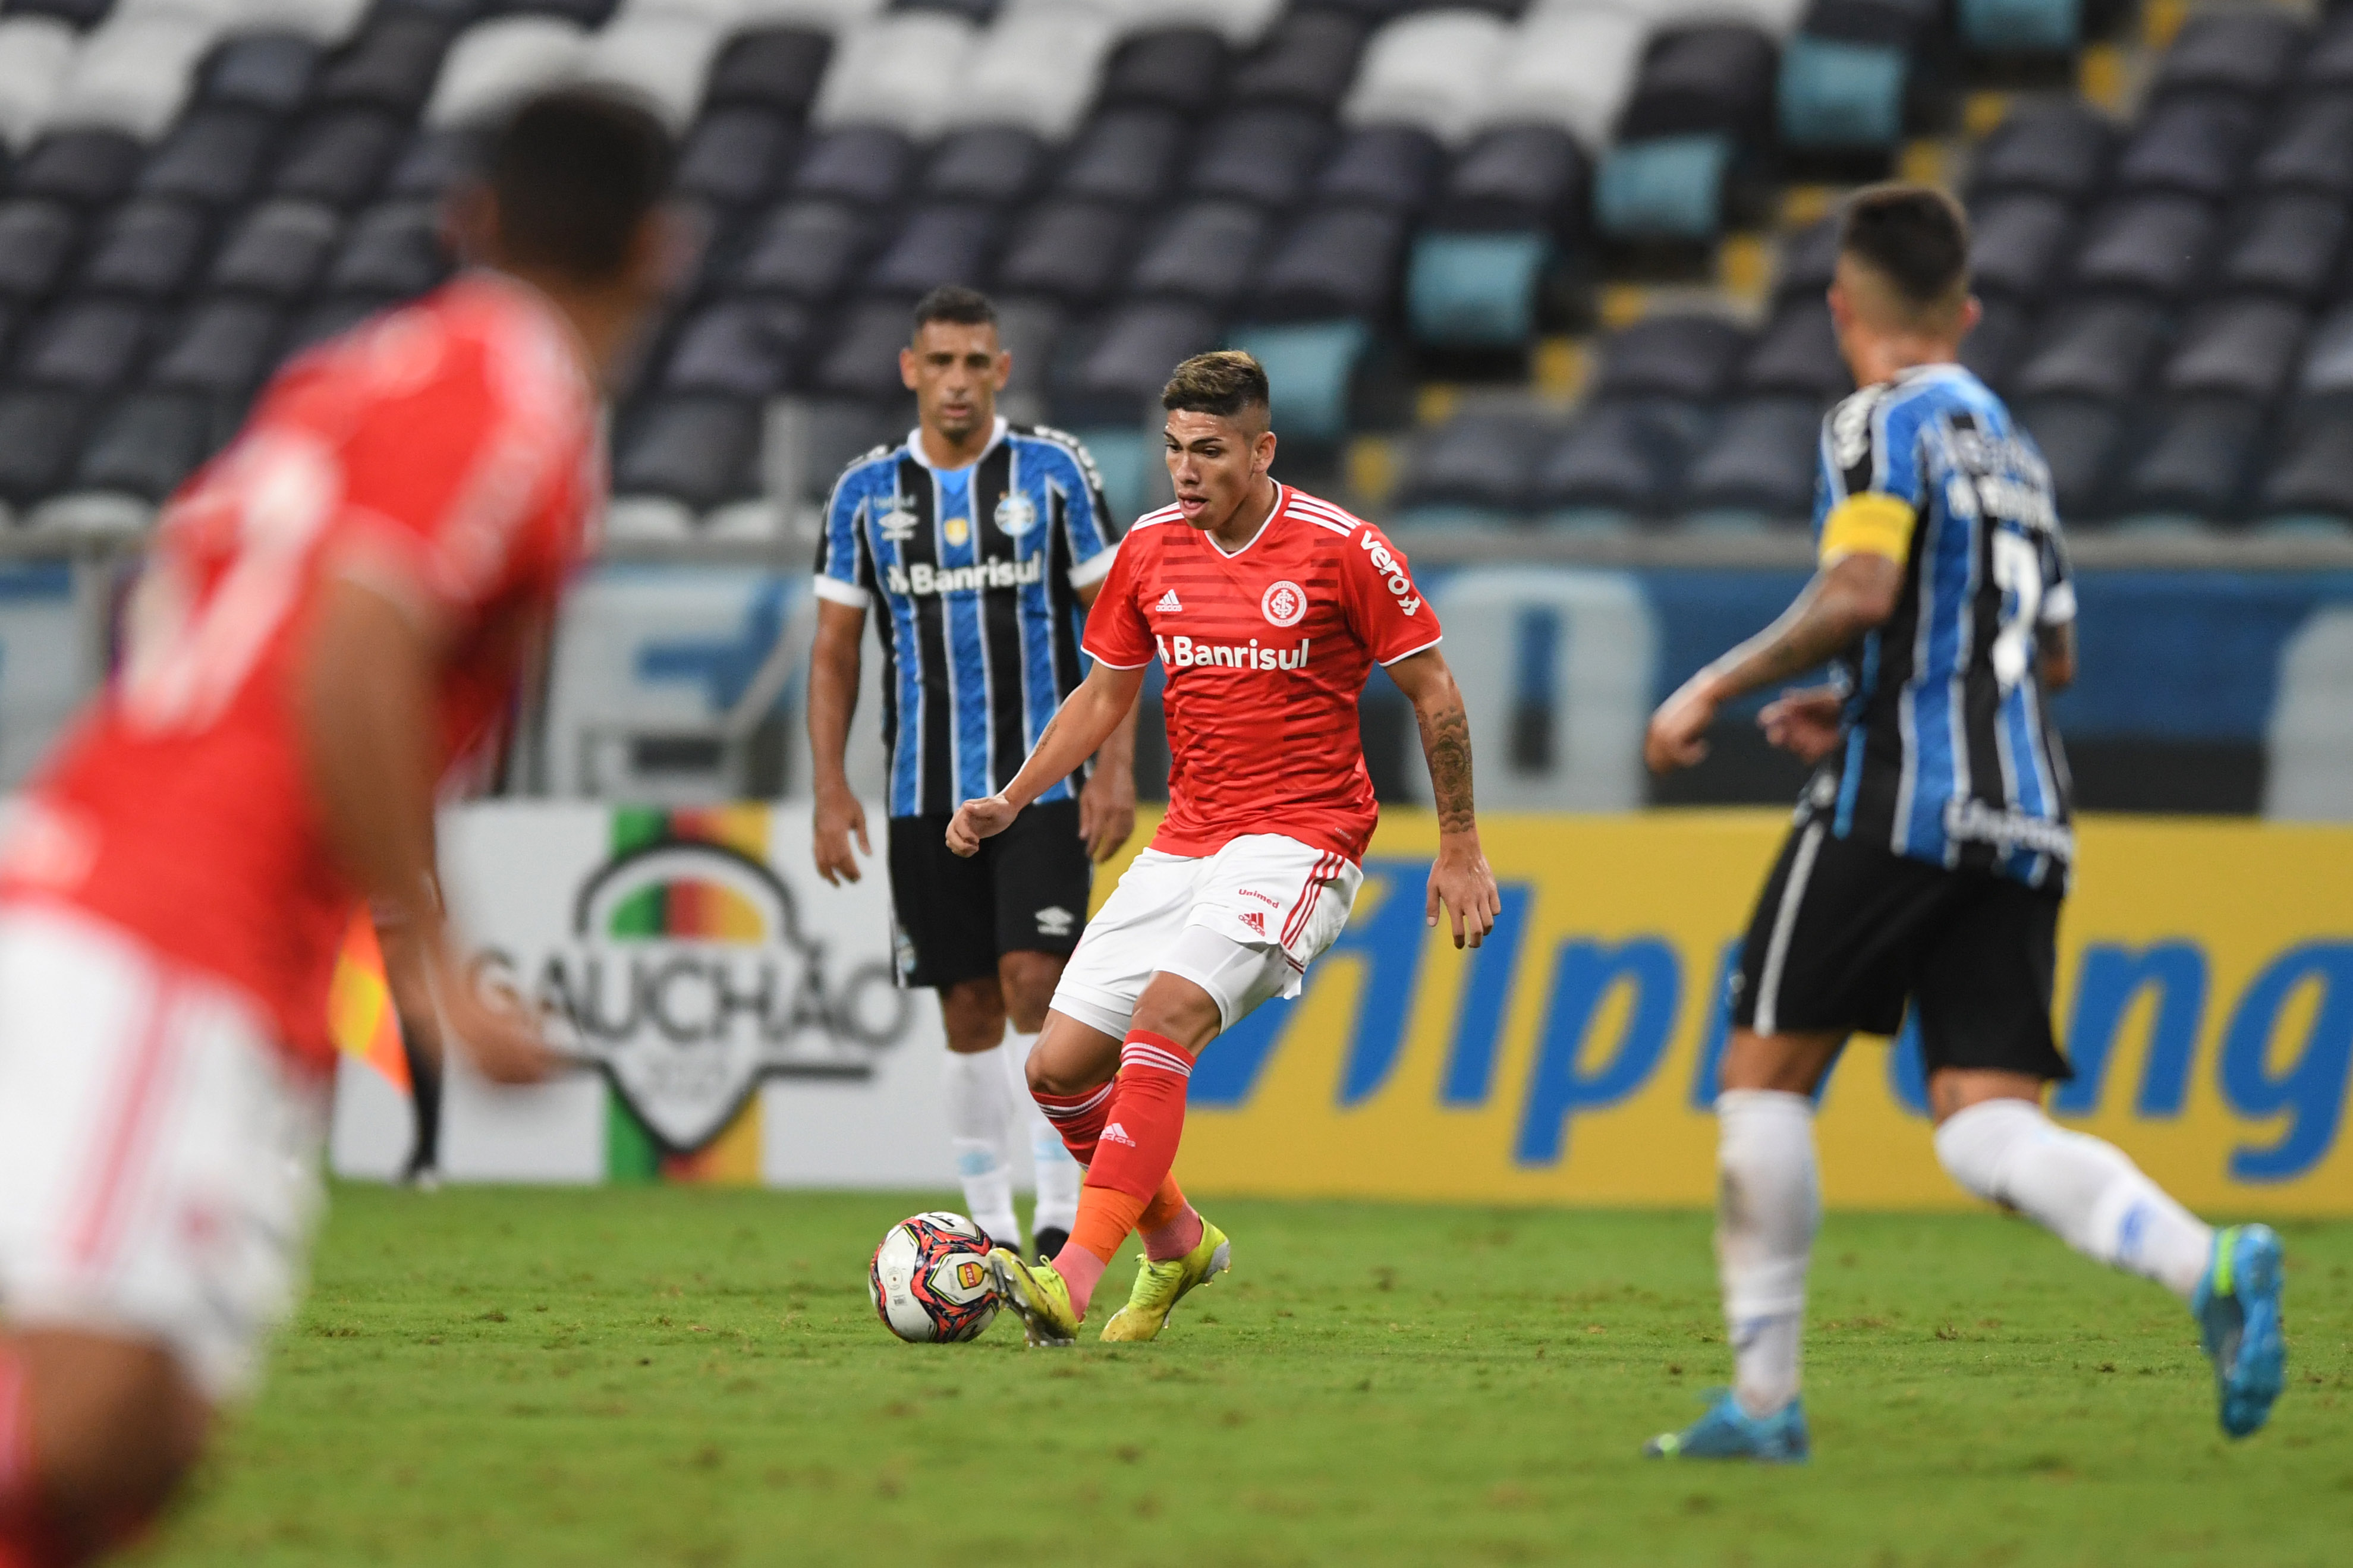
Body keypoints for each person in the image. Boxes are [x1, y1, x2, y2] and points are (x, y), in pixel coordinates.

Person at [0, 86, 674, 1564]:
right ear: (662, 250)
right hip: (167, 919)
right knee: (90, 1409)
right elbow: (358, 637)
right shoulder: (519, 398)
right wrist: (425, 951)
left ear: (470, 219)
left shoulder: (357, 369)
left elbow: (195, 583)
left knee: (142, 1439)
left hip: (140, 891)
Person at [1639, 184, 2284, 1463]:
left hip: (1901, 796)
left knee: (1760, 1079)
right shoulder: (2015, 448)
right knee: (1986, 1119)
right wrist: (1861, 691)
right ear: (1964, 310)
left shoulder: (1875, 420)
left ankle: (1763, 1406)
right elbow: (2046, 659)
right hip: (2027, 808)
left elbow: (1863, 583)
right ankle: (2200, 1257)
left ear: (1843, 311)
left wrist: (1719, 681)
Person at [948, 350, 1502, 1346]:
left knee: (1165, 1021)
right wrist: (1013, 798)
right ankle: (1177, 1239)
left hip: (1301, 844)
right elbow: (1103, 697)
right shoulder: (1151, 549)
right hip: (1187, 841)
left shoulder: (1342, 548)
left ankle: (1070, 1276)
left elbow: (1434, 691)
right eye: (1172, 449)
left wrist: (1458, 843)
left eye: (1208, 450)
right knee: (1058, 1068)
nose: (1184, 470)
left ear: (1262, 449)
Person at [807, 286, 1135, 1265]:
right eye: (939, 362)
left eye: (975, 362)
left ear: (1001, 369)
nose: (958, 381)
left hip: (1039, 783)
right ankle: (987, 1223)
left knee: (1036, 980)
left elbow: (1117, 627)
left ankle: (1059, 1205)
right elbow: (834, 651)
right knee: (965, 1004)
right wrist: (831, 786)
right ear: (911, 369)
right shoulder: (864, 494)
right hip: (920, 791)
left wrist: (1112, 769)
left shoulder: (1055, 471)